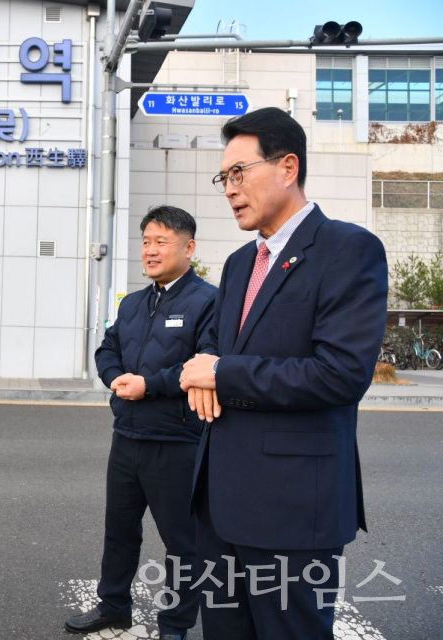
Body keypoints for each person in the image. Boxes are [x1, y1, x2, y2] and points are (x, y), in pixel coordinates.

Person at [179, 107, 388, 639]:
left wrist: (221, 374)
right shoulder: (238, 264)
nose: (229, 189)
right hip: (218, 502)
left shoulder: (348, 249)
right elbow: (213, 344)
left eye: (238, 173)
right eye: (223, 178)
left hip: (292, 509)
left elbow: (338, 373)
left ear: (288, 166)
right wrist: (201, 370)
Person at [65, 206, 215, 640]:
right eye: (146, 241)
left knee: (182, 546)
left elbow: (203, 365)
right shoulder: (131, 304)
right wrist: (116, 379)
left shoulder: (208, 301)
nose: (150, 250)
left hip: (177, 441)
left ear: (189, 248)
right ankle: (114, 607)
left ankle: (175, 625)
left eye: (161, 241)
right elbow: (106, 352)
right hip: (127, 438)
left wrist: (147, 385)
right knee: (119, 532)